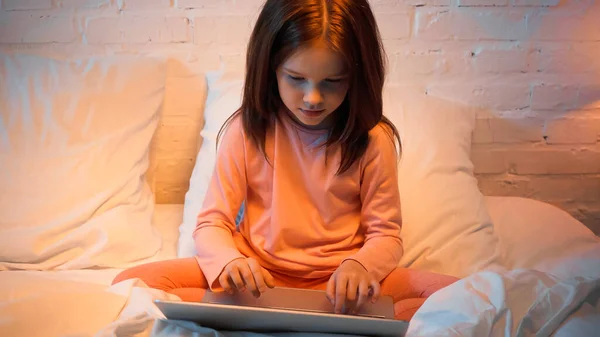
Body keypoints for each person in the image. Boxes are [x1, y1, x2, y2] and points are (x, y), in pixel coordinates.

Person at [113, 0, 459, 321]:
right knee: (134, 281)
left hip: (342, 286)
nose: (312, 97)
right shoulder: (246, 130)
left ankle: (298, 315)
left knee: (457, 294)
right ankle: (289, 314)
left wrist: (360, 267)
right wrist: (230, 262)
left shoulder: (372, 140)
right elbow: (212, 223)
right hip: (258, 282)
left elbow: (386, 234)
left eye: (332, 82)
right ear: (270, 69)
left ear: (357, 77)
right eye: (295, 79)